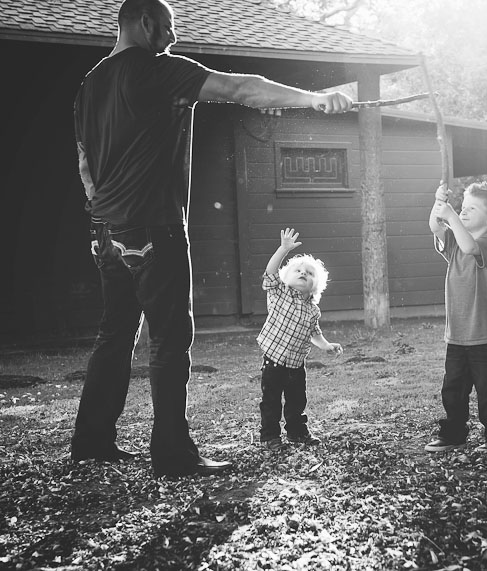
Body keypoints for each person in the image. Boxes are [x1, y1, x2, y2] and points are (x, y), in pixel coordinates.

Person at [71, 0, 353, 477]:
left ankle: (92, 441)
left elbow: (83, 163)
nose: (173, 38)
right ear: (144, 23)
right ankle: (174, 455)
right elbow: (241, 88)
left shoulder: (90, 83)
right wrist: (312, 99)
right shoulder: (157, 70)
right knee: (170, 338)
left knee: (114, 333)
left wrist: (103, 213)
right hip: (152, 229)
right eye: (168, 27)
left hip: (104, 229)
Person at [425, 182, 487, 453]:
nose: (462, 212)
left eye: (470, 208)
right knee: (453, 390)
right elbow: (436, 227)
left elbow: (469, 246)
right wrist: (439, 204)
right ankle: (453, 433)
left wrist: (452, 216)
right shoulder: (453, 239)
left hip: (485, 334)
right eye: (462, 207)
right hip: (457, 334)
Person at [256, 228, 343, 451]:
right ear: (287, 276)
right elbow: (270, 271)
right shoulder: (279, 292)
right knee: (271, 402)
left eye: (309, 273)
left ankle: (297, 433)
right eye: (298, 270)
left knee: (296, 403)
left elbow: (314, 333)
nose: (303, 273)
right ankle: (270, 437)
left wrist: (326, 345)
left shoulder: (313, 311)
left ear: (317, 284)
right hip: (273, 362)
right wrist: (283, 249)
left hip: (296, 365)